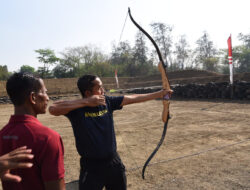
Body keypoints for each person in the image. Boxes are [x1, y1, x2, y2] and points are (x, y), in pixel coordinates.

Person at [49, 74, 173, 190]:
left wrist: (160, 94)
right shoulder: (76, 109)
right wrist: (87, 102)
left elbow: (132, 98)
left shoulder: (107, 102)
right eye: (99, 88)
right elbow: (53, 108)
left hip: (113, 163)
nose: (103, 90)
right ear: (88, 93)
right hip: (91, 166)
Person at [0, 72, 65, 190]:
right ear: (33, 97)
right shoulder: (48, 138)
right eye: (44, 92)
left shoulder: (2, 134)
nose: (47, 97)